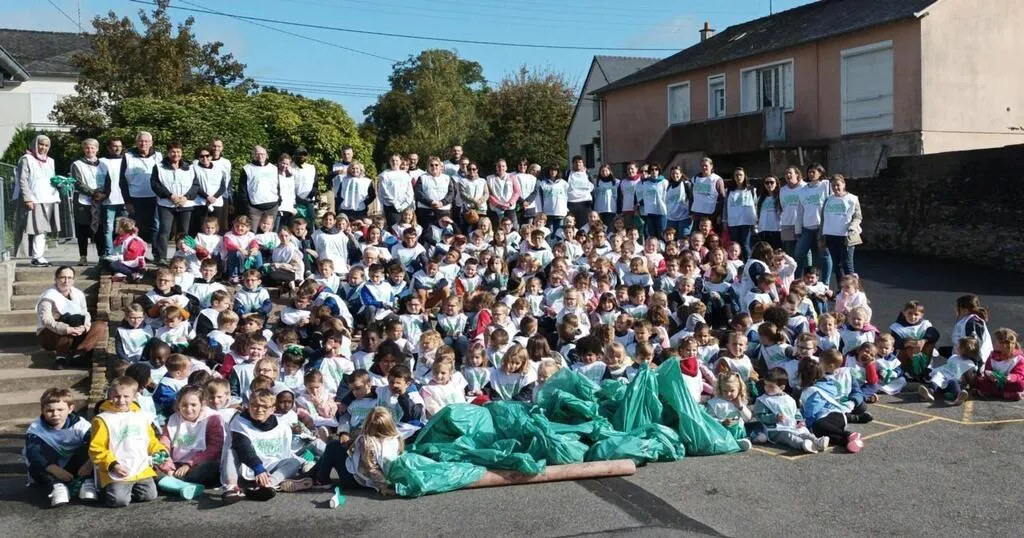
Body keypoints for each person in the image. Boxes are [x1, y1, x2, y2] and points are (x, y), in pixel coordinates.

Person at [89, 376, 172, 508]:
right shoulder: (102, 420)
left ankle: (130, 488)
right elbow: (96, 449)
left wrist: (159, 450)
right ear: (110, 396)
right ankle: (106, 488)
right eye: (116, 396)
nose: (121, 400)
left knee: (149, 496)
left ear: (134, 396)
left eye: (126, 396)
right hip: (117, 469)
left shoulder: (141, 416)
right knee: (119, 501)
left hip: (141, 467)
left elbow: (150, 440)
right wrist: (113, 465)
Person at [222, 387, 311, 503]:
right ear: (248, 406)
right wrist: (258, 468)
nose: (259, 409)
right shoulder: (239, 422)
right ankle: (232, 488)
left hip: (270, 468)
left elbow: (284, 453)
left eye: (264, 406)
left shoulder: (282, 426)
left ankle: (268, 485)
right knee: (231, 452)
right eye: (255, 405)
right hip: (246, 466)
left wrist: (302, 463)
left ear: (273, 409)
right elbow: (244, 447)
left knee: (293, 462)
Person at [24, 387, 96, 507]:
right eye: (50, 411)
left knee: (90, 447)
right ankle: (56, 486)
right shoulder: (36, 429)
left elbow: (98, 445)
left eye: (60, 409)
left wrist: (89, 464)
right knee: (35, 457)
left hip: (78, 465)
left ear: (70, 409)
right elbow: (34, 453)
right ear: (42, 410)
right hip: (51, 467)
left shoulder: (81, 425)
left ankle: (87, 482)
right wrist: (54, 469)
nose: (55, 414)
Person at [37, 266, 108, 370]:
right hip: (53, 335)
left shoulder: (78, 294)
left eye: (70, 278)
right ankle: (60, 357)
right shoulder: (48, 297)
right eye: (62, 277)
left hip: (76, 331)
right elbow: (46, 320)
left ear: (73, 280)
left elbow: (85, 313)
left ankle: (79, 354)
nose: (66, 281)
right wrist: (67, 329)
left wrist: (85, 327)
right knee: (64, 326)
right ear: (56, 279)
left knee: (100, 325)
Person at [13, 134, 60, 266]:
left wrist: (59, 183)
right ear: (35, 144)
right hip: (35, 199)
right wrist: (27, 198)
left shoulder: (50, 161)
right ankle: (36, 257)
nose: (43, 148)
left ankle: (39, 255)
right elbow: (22, 180)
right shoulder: (26, 159)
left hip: (49, 198)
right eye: (41, 144)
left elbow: (50, 178)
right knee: (37, 228)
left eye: (46, 145)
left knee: (43, 229)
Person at [150, 142, 199, 264]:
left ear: (181, 153)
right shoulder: (159, 167)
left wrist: (186, 197)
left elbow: (195, 185)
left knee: (184, 232)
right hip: (166, 204)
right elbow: (155, 184)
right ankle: (161, 257)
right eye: (173, 151)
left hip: (185, 204)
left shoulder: (190, 167)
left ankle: (181, 257)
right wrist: (169, 196)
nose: (175, 154)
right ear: (168, 152)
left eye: (178, 152)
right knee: (164, 231)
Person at [119, 132, 163, 251]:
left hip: (155, 197)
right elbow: (122, 181)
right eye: (140, 141)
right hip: (135, 198)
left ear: (151, 143)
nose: (143, 144)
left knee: (156, 226)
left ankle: (157, 254)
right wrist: (127, 201)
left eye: (146, 141)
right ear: (136, 142)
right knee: (135, 227)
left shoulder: (159, 157)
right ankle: (136, 252)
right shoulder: (128, 156)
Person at [821, 174, 862, 285]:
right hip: (830, 235)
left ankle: (854, 290)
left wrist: (852, 227)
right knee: (836, 264)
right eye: (833, 186)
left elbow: (858, 217)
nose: (835, 188)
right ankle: (842, 289)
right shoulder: (828, 200)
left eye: (838, 185)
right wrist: (821, 235)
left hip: (846, 236)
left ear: (844, 185)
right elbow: (823, 218)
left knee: (847, 264)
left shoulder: (852, 199)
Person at [794, 163, 832, 279]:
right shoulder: (802, 190)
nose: (811, 174)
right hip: (807, 228)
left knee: (824, 256)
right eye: (809, 171)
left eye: (814, 172)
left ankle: (825, 283)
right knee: (799, 255)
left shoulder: (825, 185)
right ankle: (797, 280)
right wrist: (798, 229)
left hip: (822, 228)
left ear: (820, 173)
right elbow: (799, 212)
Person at [70, 138, 104, 265]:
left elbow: (107, 180)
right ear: (84, 149)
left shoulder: (103, 164)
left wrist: (103, 194)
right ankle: (83, 256)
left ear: (97, 149)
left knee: (100, 229)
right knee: (82, 229)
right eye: (87, 148)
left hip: (100, 201)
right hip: (83, 201)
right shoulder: (77, 164)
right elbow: (77, 183)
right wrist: (93, 193)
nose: (90, 150)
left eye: (93, 148)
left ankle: (101, 256)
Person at [190, 146, 229, 237]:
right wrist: (207, 197)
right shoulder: (193, 168)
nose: (205, 158)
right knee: (200, 229)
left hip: (216, 202)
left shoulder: (218, 168)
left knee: (216, 229)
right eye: (202, 156)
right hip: (200, 202)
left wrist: (214, 197)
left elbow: (223, 186)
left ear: (211, 156)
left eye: (207, 156)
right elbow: (194, 185)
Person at [98, 138, 127, 257]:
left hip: (124, 200)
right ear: (109, 148)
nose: (117, 148)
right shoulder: (102, 161)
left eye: (119, 146)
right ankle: (109, 253)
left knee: (125, 229)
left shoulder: (126, 160)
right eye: (114, 146)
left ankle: (123, 252)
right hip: (108, 201)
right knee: (109, 229)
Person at [239, 145, 280, 227]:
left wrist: (279, 200)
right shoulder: (247, 169)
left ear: (266, 155)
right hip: (254, 208)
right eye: (257, 154)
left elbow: (278, 186)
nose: (260, 156)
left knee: (269, 234)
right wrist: (247, 204)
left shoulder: (274, 168)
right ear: (253, 155)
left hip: (272, 206)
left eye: (262, 154)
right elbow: (242, 189)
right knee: (252, 233)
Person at [414, 156, 456, 231]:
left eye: (436, 165)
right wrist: (430, 202)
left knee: (445, 233)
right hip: (426, 210)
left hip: (444, 210)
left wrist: (442, 203)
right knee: (426, 233)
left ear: (440, 167)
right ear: (428, 166)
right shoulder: (422, 177)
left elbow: (451, 193)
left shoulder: (447, 178)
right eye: (431, 165)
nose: (434, 167)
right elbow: (418, 193)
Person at [725, 167, 757, 259]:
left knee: (746, 245)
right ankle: (737, 265)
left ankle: (748, 265)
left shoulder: (751, 190)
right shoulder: (729, 191)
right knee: (734, 246)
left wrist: (756, 222)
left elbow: (755, 205)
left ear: (744, 176)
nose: (738, 177)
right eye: (736, 175)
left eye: (740, 175)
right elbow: (725, 207)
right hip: (734, 222)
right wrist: (725, 221)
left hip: (747, 222)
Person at [377, 153, 415, 228]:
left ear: (401, 161)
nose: (395, 162)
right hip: (391, 207)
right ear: (390, 162)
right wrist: (395, 204)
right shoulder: (384, 175)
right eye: (392, 160)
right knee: (394, 228)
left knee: (406, 228)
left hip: (405, 207)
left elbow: (410, 191)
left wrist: (405, 204)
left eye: (397, 160)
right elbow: (384, 192)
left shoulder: (405, 175)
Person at [689, 157, 726, 229]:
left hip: (711, 214)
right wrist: (690, 212)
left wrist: (720, 215)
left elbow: (722, 198)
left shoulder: (717, 179)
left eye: (706, 165)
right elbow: (691, 197)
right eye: (702, 165)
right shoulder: (695, 179)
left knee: (710, 237)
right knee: (696, 236)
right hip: (697, 214)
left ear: (711, 166)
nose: (704, 167)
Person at [487, 159, 521, 229]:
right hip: (495, 209)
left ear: (506, 167)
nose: (501, 168)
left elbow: (517, 192)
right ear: (496, 167)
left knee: (513, 229)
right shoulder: (489, 178)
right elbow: (489, 194)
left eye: (503, 166)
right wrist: (499, 204)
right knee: (497, 229)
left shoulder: (512, 177)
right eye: (499, 166)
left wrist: (509, 203)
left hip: (509, 208)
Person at [637, 164, 668, 240]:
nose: (654, 171)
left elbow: (667, 196)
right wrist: (637, 204)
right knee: (652, 235)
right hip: (650, 212)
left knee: (661, 234)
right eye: (652, 170)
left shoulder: (664, 182)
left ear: (659, 171)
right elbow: (643, 197)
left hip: (662, 212)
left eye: (656, 169)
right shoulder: (646, 183)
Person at [291, 146, 318, 223]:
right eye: (299, 154)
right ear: (295, 155)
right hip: (294, 202)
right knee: (295, 224)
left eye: (304, 154)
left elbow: (315, 185)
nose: (302, 156)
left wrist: (310, 196)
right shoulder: (290, 168)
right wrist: (298, 199)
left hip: (309, 201)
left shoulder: (312, 168)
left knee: (310, 223)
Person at [565, 155, 593, 225]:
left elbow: (592, 186)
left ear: (583, 163)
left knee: (585, 225)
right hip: (571, 203)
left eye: (580, 162)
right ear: (572, 164)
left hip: (585, 203)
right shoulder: (568, 173)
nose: (578, 164)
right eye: (576, 162)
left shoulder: (587, 173)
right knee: (572, 225)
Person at [757, 175, 782, 249]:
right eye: (767, 183)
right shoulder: (760, 198)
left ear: (776, 183)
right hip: (763, 230)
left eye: (772, 182)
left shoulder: (780, 196)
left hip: (776, 230)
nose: (769, 185)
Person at [515, 159, 540, 225]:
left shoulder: (533, 178)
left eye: (524, 165)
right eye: (520, 165)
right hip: (518, 207)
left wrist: (527, 202)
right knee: (517, 229)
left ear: (527, 166)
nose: (522, 166)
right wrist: (522, 202)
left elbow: (534, 192)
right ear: (518, 166)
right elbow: (514, 191)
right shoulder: (513, 176)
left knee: (529, 230)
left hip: (530, 207)